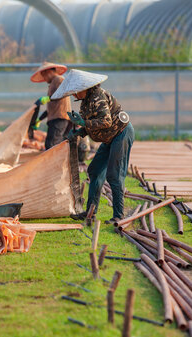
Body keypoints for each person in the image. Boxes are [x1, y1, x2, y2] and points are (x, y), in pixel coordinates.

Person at [51, 69, 134, 224]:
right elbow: (90, 126)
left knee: (114, 175)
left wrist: (83, 123)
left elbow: (106, 122)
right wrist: (78, 132)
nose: (74, 96)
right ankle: (90, 212)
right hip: (109, 138)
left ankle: (118, 216)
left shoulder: (98, 97)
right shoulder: (85, 103)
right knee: (94, 170)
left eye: (76, 92)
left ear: (84, 88)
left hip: (121, 134)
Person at [30, 62, 72, 149]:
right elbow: (52, 106)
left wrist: (48, 98)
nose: (44, 79)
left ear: (48, 71)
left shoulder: (59, 79)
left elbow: (62, 94)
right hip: (55, 119)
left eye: (44, 75)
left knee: (52, 145)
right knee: (51, 144)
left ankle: (55, 162)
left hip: (60, 118)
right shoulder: (53, 83)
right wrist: (39, 119)